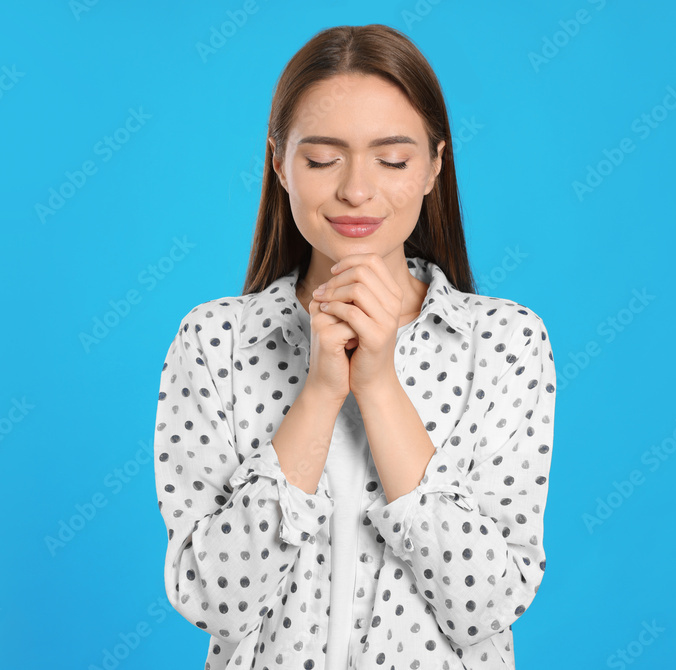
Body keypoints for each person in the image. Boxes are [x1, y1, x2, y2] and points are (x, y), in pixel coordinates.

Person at [153, 24, 556, 670]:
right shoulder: (214, 343)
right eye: (321, 159)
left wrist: (377, 385)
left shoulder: (505, 343)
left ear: (433, 167)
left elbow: (487, 606)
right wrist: (318, 392)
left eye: (392, 159)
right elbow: (209, 598)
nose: (357, 190)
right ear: (279, 163)